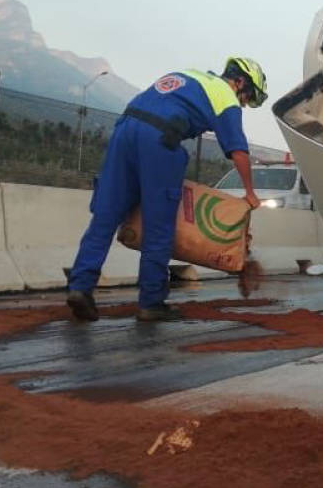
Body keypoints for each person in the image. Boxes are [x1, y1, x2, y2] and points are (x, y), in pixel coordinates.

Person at [67, 58, 267, 321]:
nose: (244, 104)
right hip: (159, 141)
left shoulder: (188, 74)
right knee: (159, 224)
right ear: (239, 82)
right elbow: (238, 151)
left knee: (105, 215)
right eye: (248, 97)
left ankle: (80, 287)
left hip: (124, 130)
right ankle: (151, 303)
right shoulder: (225, 96)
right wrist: (250, 194)